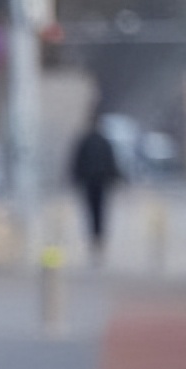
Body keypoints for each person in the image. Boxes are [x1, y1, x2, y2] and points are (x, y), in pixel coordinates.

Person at [69, 110, 121, 263]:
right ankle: (98, 237)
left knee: (91, 210)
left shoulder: (86, 140)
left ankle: (95, 237)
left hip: (90, 181)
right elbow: (111, 162)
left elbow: (77, 162)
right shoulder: (103, 141)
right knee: (100, 211)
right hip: (101, 181)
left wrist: (76, 178)